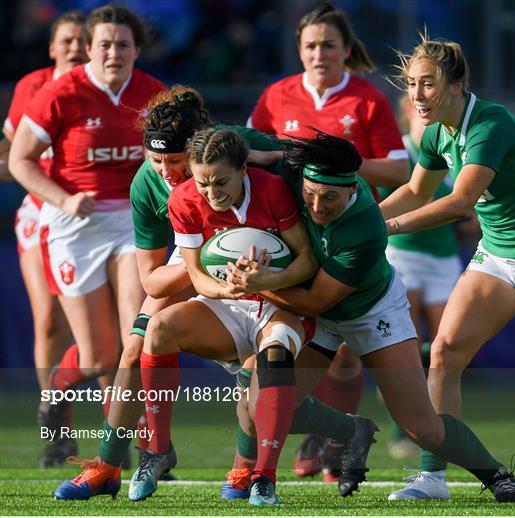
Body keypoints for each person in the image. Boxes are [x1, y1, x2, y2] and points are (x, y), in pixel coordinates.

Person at [53, 92, 374, 504]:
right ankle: (109, 465)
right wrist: (220, 273)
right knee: (138, 344)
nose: (168, 171)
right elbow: (152, 281)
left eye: (176, 161)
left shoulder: (241, 154)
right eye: (157, 161)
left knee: (260, 382)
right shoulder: (154, 184)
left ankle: (251, 470)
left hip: (269, 269)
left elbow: (325, 174)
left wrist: (274, 162)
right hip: (198, 261)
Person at [228, 131, 515, 504]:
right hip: (308, 307)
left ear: (353, 188)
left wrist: (253, 283)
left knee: (420, 426)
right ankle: (339, 434)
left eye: (330, 197)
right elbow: (229, 143)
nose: (318, 206)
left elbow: (317, 299)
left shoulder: (366, 227)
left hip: (368, 312)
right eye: (310, 194)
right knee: (259, 403)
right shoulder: (292, 167)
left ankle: (496, 473)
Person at [247, 2, 409, 480]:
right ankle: (325, 430)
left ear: (345, 50)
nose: (320, 53)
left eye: (329, 45)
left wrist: (328, 164)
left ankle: (332, 438)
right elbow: (254, 157)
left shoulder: (366, 99)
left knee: (342, 356)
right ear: (299, 49)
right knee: (293, 343)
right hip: (297, 233)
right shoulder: (277, 95)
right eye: (311, 45)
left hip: (352, 235)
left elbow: (399, 169)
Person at [378, 34, 515, 502]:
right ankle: (432, 477)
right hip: (499, 257)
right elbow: (414, 191)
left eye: (428, 84)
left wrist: (388, 228)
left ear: (457, 85)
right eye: (412, 84)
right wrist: (364, 221)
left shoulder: (491, 122)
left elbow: (459, 202)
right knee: (444, 352)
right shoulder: (433, 132)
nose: (418, 95)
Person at [8, 4, 164, 466]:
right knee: (98, 356)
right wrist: (62, 199)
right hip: (74, 228)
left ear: (136, 49)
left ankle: (137, 449)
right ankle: (56, 391)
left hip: (132, 226)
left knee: (133, 342)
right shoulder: (61, 92)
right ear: (90, 49)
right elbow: (20, 160)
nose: (113, 52)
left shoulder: (153, 94)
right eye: (104, 45)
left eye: (122, 44)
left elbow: (182, 155)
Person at [2, 10, 88, 467]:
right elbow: (13, 154)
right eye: (67, 40)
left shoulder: (105, 90)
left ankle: (136, 431)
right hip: (44, 212)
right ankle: (58, 429)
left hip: (102, 216)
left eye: (82, 40)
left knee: (111, 335)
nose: (75, 47)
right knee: (49, 321)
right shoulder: (32, 86)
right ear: (52, 47)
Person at [378, 93, 466, 459]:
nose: (427, 122)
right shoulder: (400, 156)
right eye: (419, 115)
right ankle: (405, 432)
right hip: (402, 256)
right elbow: (390, 197)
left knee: (449, 347)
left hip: (444, 260)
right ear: (406, 119)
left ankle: (437, 427)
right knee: (407, 344)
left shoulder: (452, 154)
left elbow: (467, 207)